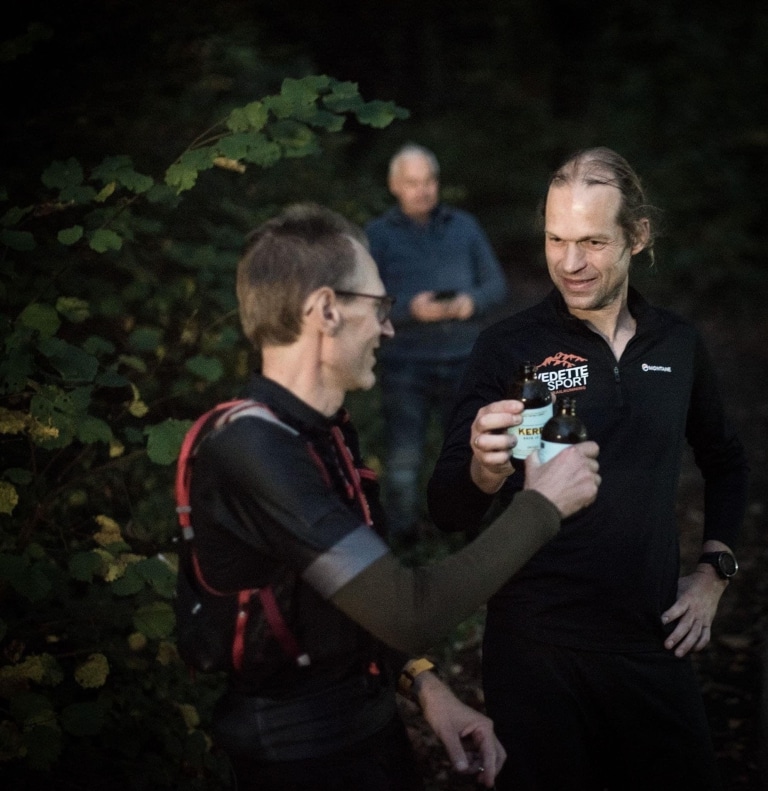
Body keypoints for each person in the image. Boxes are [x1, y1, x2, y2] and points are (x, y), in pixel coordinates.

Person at [189, 203, 601, 791]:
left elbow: (353, 597)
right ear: (326, 310)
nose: (389, 326)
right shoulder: (253, 450)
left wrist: (426, 687)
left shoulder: (321, 430)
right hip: (300, 761)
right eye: (380, 306)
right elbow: (409, 611)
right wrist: (543, 505)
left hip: (368, 730)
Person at [427, 147, 749, 790]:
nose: (570, 264)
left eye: (593, 242)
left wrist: (714, 573)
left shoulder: (677, 345)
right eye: (555, 239)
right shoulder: (510, 346)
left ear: (638, 236)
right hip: (534, 649)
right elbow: (446, 510)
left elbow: (727, 461)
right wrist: (486, 474)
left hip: (651, 642)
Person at [365, 144, 508, 540]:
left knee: (470, 454)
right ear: (395, 186)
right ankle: (402, 541)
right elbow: (364, 305)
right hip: (405, 363)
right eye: (412, 183)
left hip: (465, 358)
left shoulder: (465, 227)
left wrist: (471, 302)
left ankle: (467, 534)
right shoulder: (377, 235)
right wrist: (411, 309)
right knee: (403, 461)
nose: (423, 190)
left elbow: (497, 285)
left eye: (429, 181)